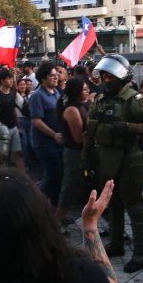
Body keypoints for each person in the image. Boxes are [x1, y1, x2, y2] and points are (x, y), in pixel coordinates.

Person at [83, 55, 143, 273]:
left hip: (129, 159)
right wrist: (85, 158)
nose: (106, 79)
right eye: (103, 75)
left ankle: (141, 253)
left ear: (122, 77)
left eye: (110, 75)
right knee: (111, 204)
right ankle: (116, 244)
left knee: (134, 207)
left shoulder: (135, 100)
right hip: (106, 157)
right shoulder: (99, 100)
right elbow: (91, 132)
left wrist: (128, 127)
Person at [29, 61, 66, 206]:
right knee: (54, 176)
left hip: (58, 142)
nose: (56, 78)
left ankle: (54, 207)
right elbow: (36, 121)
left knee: (58, 175)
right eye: (52, 76)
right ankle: (35, 202)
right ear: (43, 78)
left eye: (57, 75)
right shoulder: (37, 95)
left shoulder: (56, 92)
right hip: (45, 143)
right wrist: (54, 135)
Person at [56, 77, 90, 225]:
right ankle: (56, 221)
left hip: (82, 153)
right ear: (76, 92)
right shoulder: (71, 109)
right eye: (84, 89)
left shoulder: (82, 105)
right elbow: (79, 138)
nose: (87, 91)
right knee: (69, 187)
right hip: (74, 154)